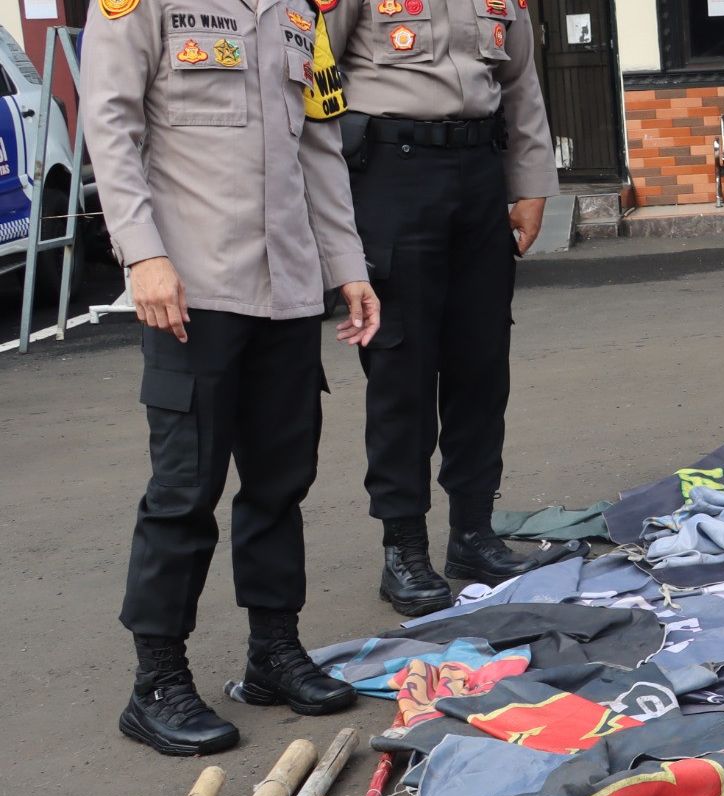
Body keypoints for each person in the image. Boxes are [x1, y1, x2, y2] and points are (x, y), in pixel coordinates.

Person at [85, 0, 381, 754]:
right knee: (184, 490)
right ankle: (156, 682)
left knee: (281, 484)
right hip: (192, 287)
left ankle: (273, 655)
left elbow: (320, 145)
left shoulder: (297, 14)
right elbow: (111, 123)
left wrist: (346, 267)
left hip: (286, 289)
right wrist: (141, 253)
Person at [326, 0, 558, 617]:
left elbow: (520, 82)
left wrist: (530, 183)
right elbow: (314, 72)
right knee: (400, 366)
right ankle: (403, 547)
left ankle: (473, 534)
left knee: (481, 363)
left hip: (479, 174)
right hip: (391, 176)